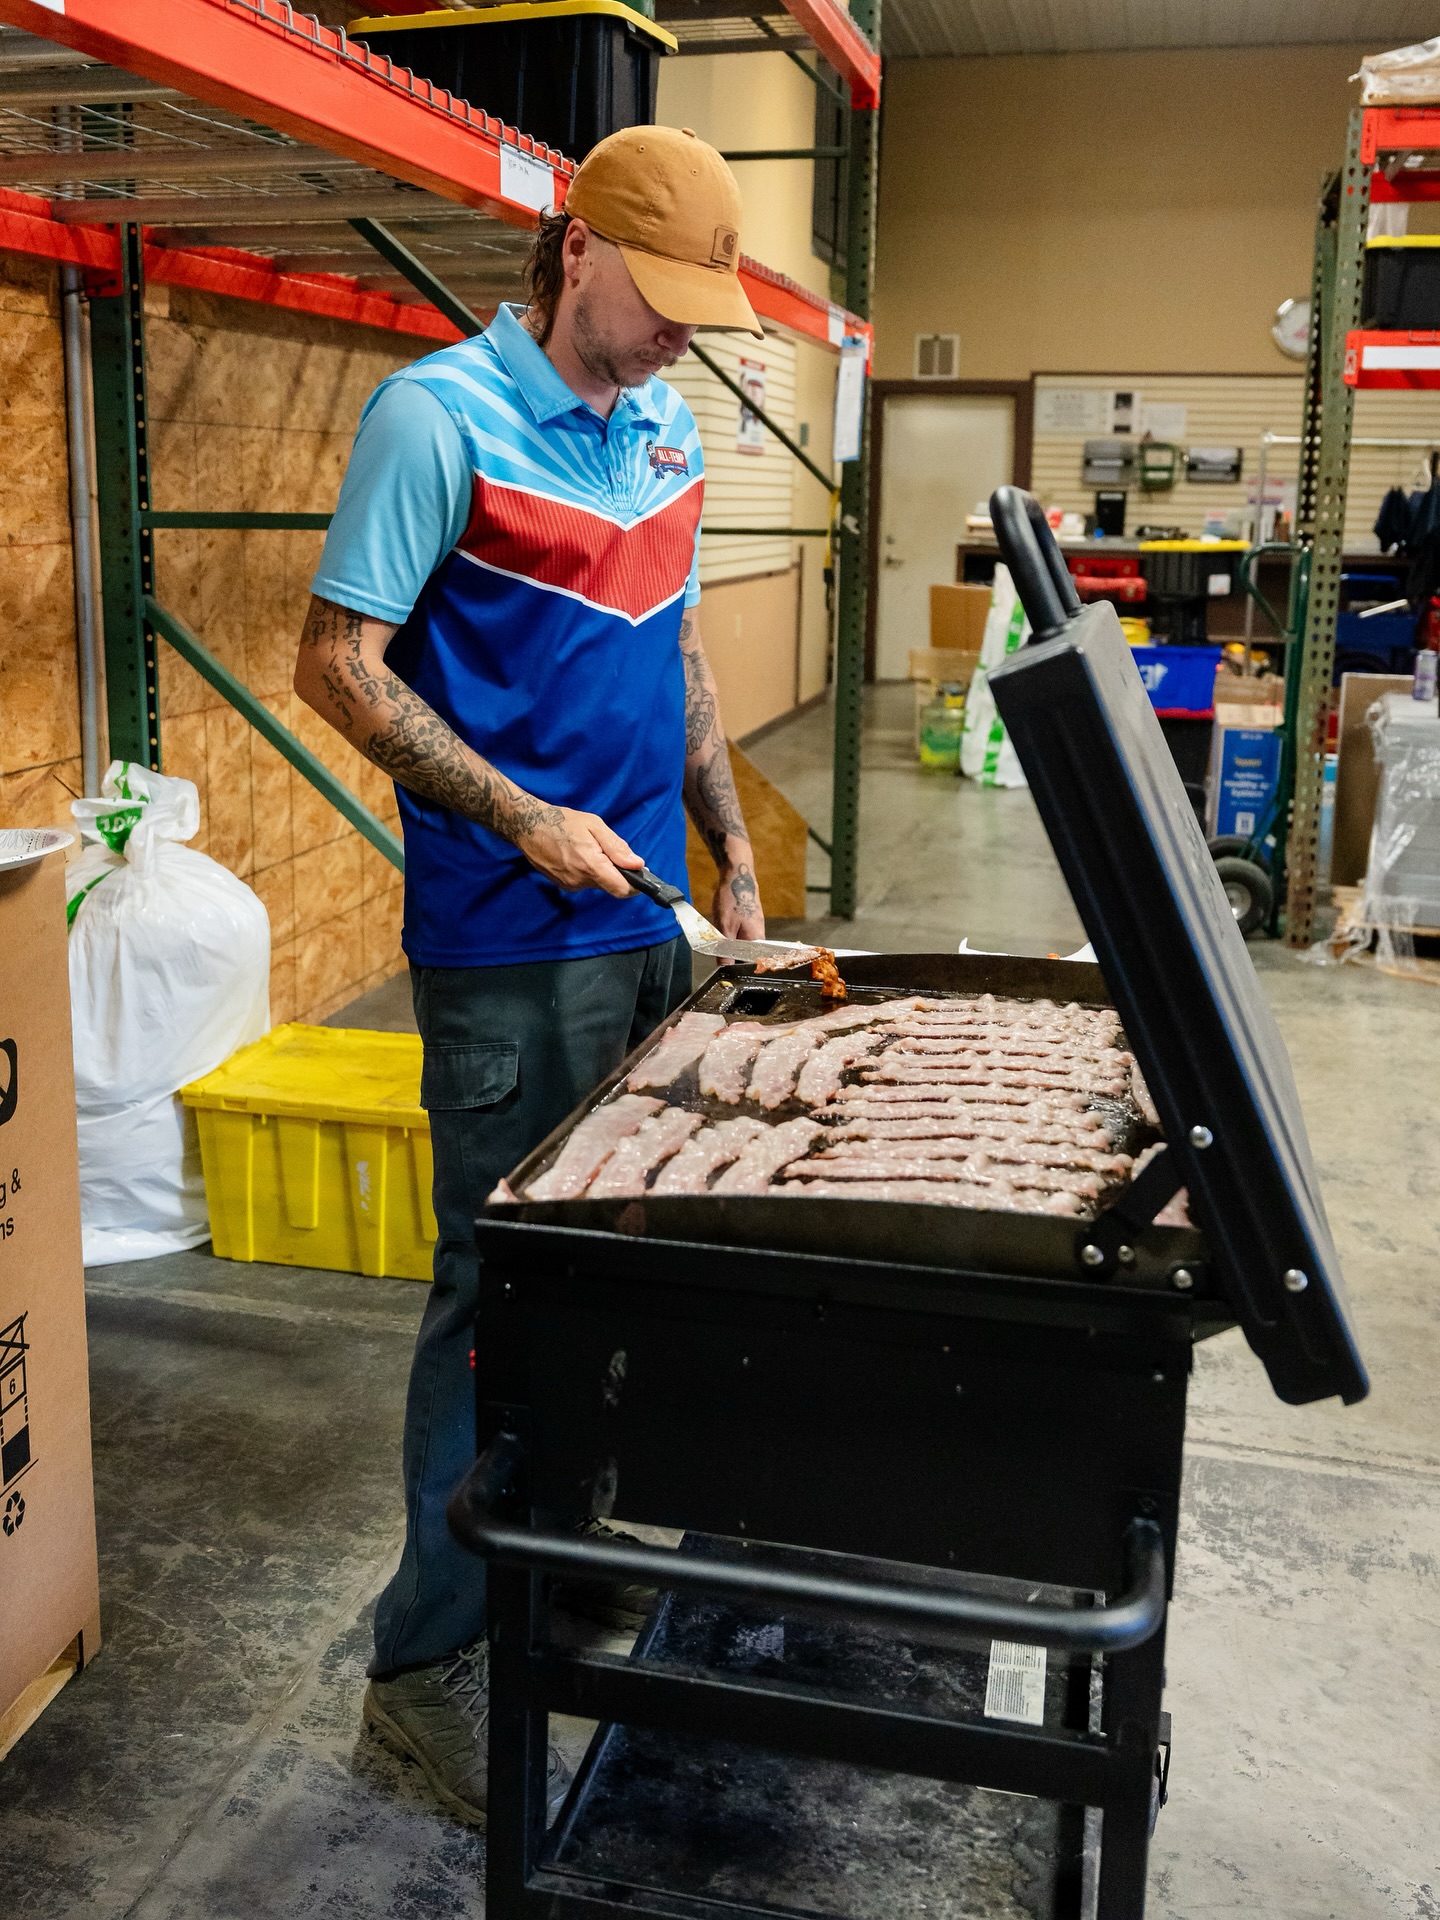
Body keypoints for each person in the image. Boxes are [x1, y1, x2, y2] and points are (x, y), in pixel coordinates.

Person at [293, 124, 765, 1827]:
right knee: (498, 1306)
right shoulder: (437, 418)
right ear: (579, 250)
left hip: (649, 926)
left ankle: (557, 1555)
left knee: (619, 1285)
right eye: (664, 291)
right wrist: (520, 816)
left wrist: (731, 845)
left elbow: (679, 649)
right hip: (510, 944)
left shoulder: (667, 425)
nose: (683, 327)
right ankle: (425, 1667)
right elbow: (335, 662)